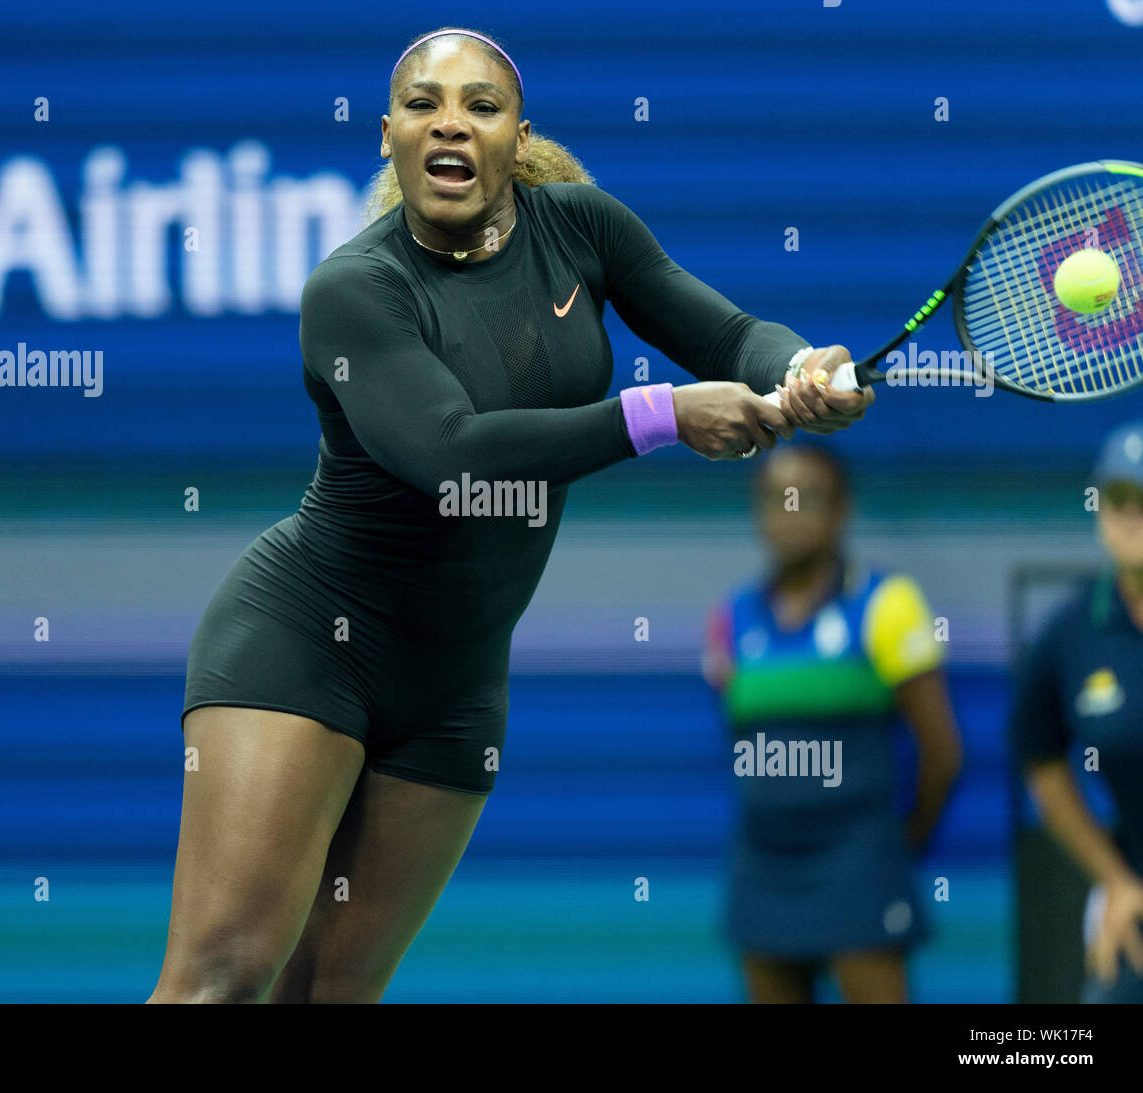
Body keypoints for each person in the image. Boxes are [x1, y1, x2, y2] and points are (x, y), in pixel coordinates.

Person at [148, 25, 873, 1004]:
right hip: (305, 644)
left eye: (479, 106)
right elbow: (452, 456)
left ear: (513, 134)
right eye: (423, 104)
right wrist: (661, 413)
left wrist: (795, 367)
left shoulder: (583, 229)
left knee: (330, 992)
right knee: (221, 978)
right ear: (387, 135)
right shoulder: (354, 292)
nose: (450, 123)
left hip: (455, 683)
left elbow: (729, 332)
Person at [703, 445, 962, 1003]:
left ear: (843, 510)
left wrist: (900, 846)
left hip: (858, 862)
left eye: (810, 499)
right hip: (762, 863)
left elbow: (942, 754)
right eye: (776, 500)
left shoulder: (888, 605)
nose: (791, 513)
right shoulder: (731, 618)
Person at [1013, 419, 1143, 1004]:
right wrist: (1115, 880)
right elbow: (1038, 754)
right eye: (1119, 498)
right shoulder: (1071, 632)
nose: (1133, 514)